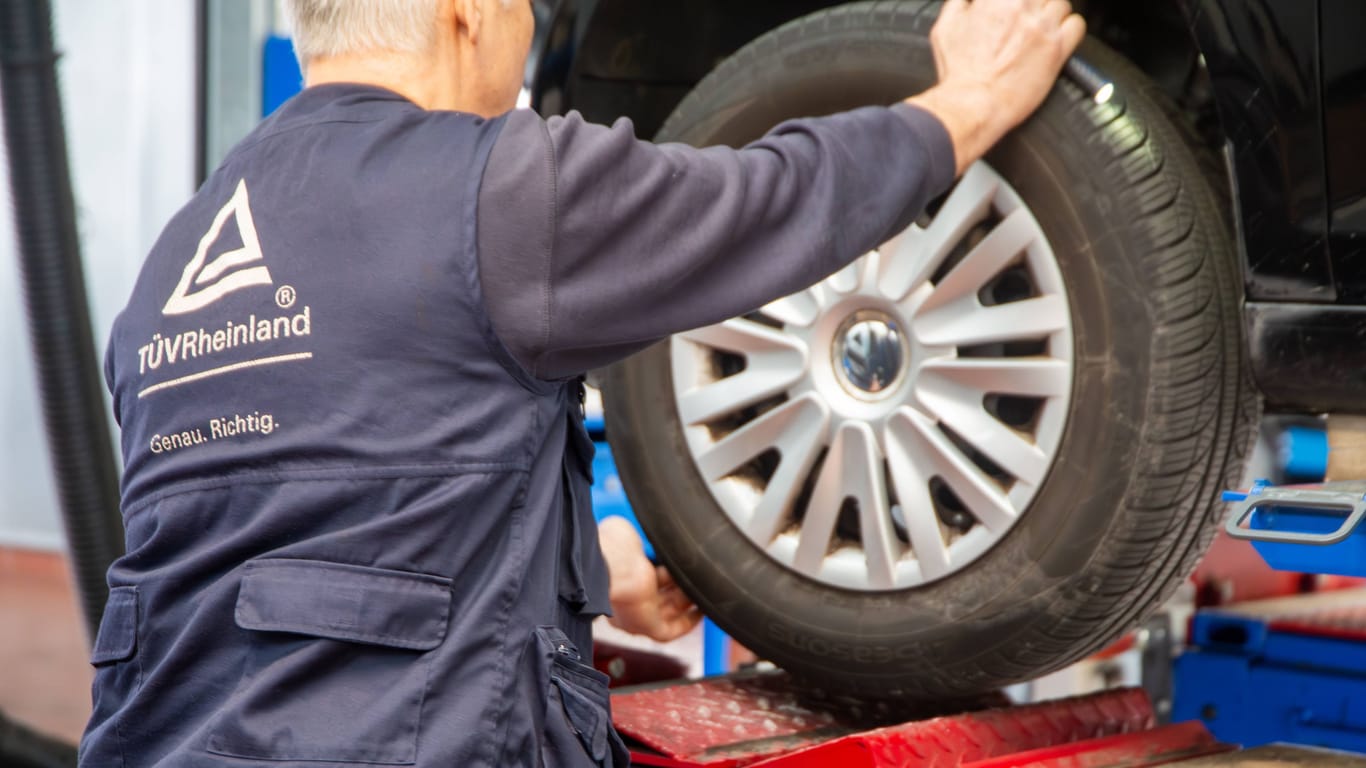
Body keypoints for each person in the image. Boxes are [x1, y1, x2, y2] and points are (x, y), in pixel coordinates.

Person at [81, 0, 1084, 765]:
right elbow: (772, 201)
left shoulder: (176, 263)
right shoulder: (497, 186)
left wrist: (585, 574)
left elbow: (331, 509)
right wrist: (966, 103)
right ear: (466, 14)